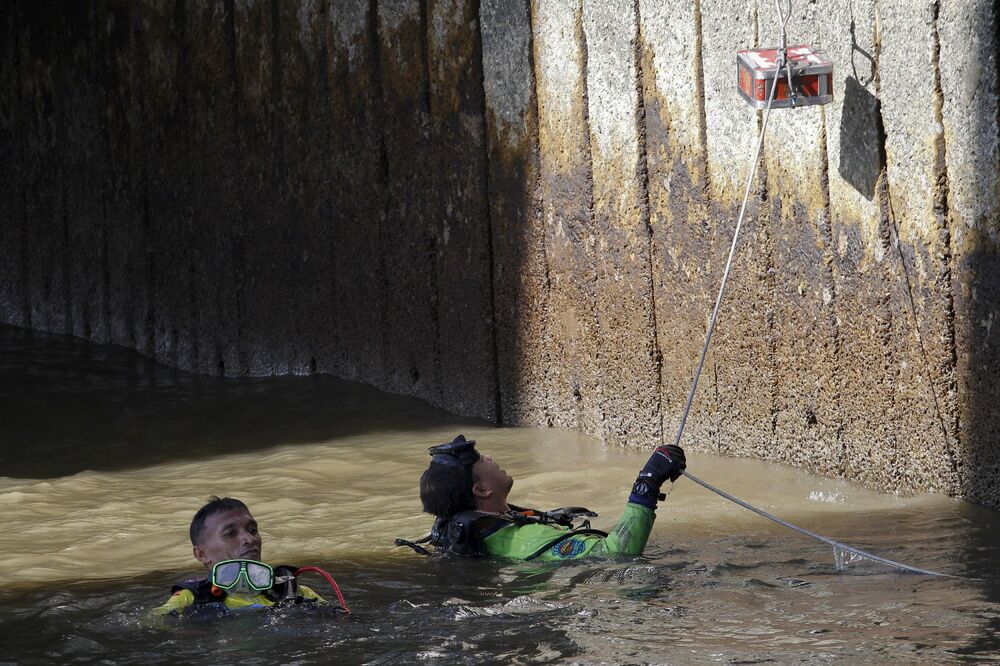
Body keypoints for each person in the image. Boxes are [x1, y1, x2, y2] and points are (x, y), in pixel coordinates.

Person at [400, 434, 685, 560]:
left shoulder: (457, 530)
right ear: (482, 490)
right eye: (478, 460)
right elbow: (615, 554)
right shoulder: (527, 540)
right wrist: (646, 484)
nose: (487, 456)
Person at [154, 496, 329, 615]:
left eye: (253, 530)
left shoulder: (293, 591)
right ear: (201, 554)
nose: (249, 538)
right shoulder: (191, 599)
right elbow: (152, 626)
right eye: (230, 533)